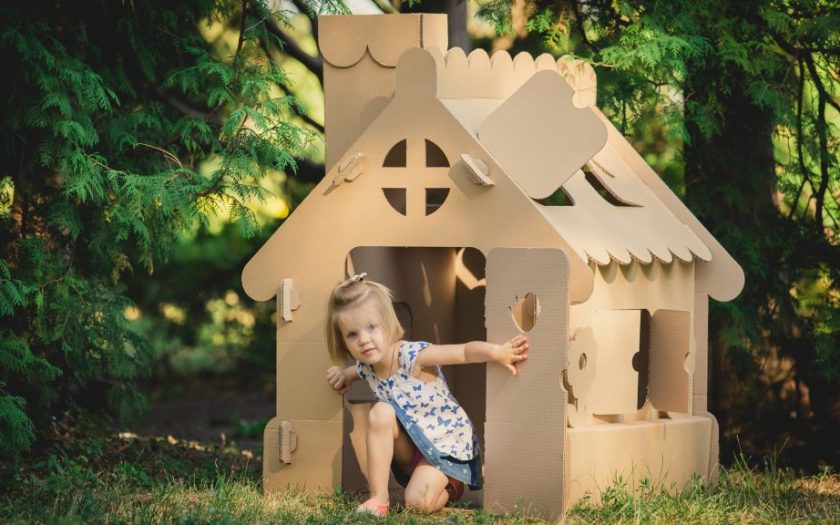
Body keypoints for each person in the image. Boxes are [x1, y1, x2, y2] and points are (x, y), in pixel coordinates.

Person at [324, 273, 529, 516]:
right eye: (352, 334)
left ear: (388, 324)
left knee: (417, 503)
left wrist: (497, 352)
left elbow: (463, 353)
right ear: (343, 342)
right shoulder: (366, 367)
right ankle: (379, 499)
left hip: (445, 449)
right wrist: (343, 375)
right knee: (381, 411)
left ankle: (452, 486)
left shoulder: (411, 356)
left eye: (371, 327)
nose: (364, 340)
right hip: (412, 450)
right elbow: (356, 370)